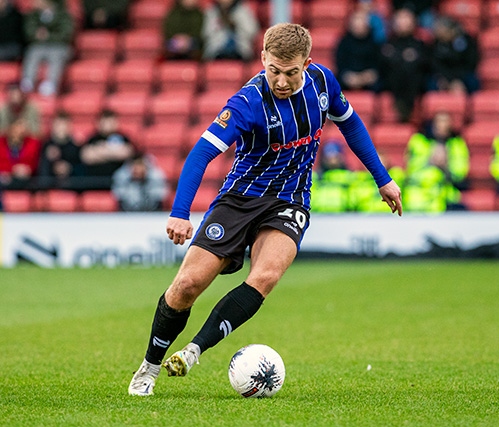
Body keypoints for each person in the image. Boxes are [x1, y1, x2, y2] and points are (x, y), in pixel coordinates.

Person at [128, 23, 402, 396]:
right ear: (263, 59)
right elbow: (201, 154)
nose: (283, 81)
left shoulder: (323, 83)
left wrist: (382, 178)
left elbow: (351, 124)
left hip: (290, 200)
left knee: (267, 275)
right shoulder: (248, 102)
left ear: (307, 63)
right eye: (274, 70)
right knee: (187, 287)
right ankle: (149, 366)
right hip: (239, 199)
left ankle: (194, 351)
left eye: (291, 72)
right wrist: (180, 211)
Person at [404, 111, 468, 212]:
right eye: (439, 122)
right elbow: (411, 171)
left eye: (446, 122)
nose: (442, 126)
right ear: (433, 124)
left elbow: (460, 174)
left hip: (446, 195)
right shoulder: (419, 141)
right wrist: (429, 161)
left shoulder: (457, 144)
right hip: (420, 195)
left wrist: (445, 166)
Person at [379, 8, 429, 122]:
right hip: (391, 84)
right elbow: (382, 64)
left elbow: (426, 64)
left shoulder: (420, 45)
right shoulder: (387, 44)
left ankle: (407, 108)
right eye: (400, 18)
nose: (403, 22)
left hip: (415, 86)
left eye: (406, 18)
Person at [20, 0, 74, 97]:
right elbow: (28, 31)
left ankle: (51, 83)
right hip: (39, 45)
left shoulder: (63, 14)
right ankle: (28, 81)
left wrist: (48, 36)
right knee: (32, 52)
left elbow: (66, 33)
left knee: (56, 56)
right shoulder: (33, 15)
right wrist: (37, 35)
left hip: (58, 46)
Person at [80, 109, 136, 190]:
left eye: (110, 121)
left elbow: (127, 153)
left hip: (119, 183)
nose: (108, 125)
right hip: (94, 182)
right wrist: (113, 152)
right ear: (99, 123)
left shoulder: (123, 137)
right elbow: (86, 156)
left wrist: (100, 151)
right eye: (105, 122)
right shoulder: (92, 139)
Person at [427, 15, 480, 94]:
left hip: (463, 75)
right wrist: (447, 80)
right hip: (443, 76)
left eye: (441, 30)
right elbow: (434, 64)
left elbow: (470, 63)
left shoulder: (467, 41)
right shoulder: (436, 43)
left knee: (473, 82)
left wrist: (457, 80)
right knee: (431, 83)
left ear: (451, 30)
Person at [335, 9, 382, 92]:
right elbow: (340, 64)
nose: (358, 24)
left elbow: (377, 65)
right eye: (356, 20)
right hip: (348, 78)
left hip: (369, 79)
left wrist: (365, 77)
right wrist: (349, 77)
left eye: (361, 20)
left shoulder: (374, 43)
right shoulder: (343, 42)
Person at [37, 111, 84, 189]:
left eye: (64, 125)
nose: (61, 128)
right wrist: (49, 161)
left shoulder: (76, 147)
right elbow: (41, 176)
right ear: (53, 126)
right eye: (58, 125)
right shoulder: (46, 146)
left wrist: (69, 169)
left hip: (71, 189)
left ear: (69, 127)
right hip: (49, 189)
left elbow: (83, 176)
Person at [310, 141, 354, 213]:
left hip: (344, 215)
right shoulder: (316, 177)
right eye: (329, 156)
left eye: (334, 156)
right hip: (319, 216)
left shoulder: (349, 176)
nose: (332, 160)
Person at [0, 119, 41, 188]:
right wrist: (13, 170)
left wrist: (28, 169)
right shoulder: (1, 142)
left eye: (19, 128)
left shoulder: (33, 143)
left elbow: (35, 162)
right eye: (14, 129)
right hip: (4, 182)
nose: (17, 132)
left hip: (28, 181)